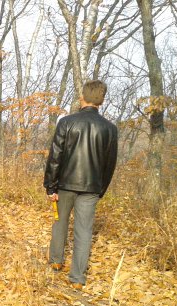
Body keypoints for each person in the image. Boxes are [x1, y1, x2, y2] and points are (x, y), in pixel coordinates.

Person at [44, 80, 118, 289]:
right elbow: (109, 164)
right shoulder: (110, 129)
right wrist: (100, 189)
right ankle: (77, 279)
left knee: (60, 223)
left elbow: (55, 157)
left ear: (82, 97)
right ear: (101, 101)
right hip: (92, 188)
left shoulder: (67, 122)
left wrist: (51, 186)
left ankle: (56, 261)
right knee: (84, 231)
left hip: (65, 185)